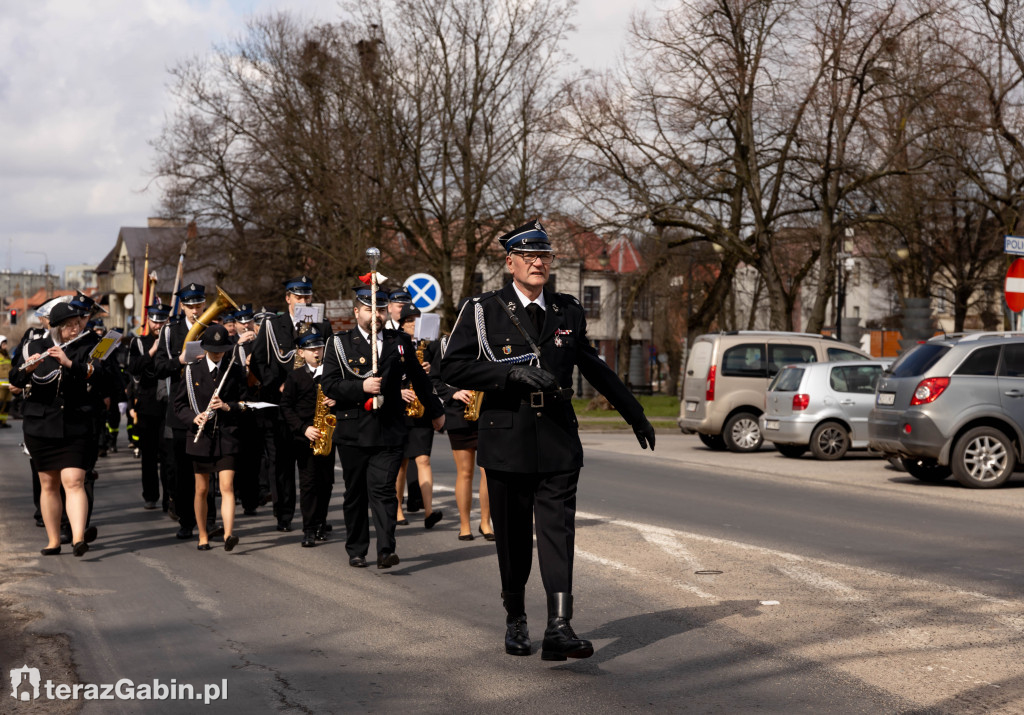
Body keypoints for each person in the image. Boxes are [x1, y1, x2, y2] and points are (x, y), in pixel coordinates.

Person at [441, 219, 656, 660]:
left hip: (557, 439)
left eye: (545, 256)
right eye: (529, 256)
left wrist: (635, 413)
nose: (538, 263)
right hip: (506, 441)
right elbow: (453, 368)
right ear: (511, 262)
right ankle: (516, 616)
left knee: (558, 533)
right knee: (514, 538)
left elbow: (594, 367)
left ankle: (559, 626)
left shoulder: (567, 311)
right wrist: (508, 374)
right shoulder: (482, 310)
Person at [320, 286, 444, 569]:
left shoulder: (398, 341)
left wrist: (436, 412)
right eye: (369, 309)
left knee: (384, 490)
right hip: (353, 431)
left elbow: (419, 379)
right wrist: (360, 387)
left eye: (380, 309)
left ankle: (386, 549)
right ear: (356, 311)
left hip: (389, 428)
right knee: (355, 493)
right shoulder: (339, 343)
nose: (375, 315)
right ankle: (357, 548)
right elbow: (329, 384)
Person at [9, 302, 103, 557]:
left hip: (75, 423)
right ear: (57, 328)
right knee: (48, 484)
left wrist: (69, 362)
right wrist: (27, 368)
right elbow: (15, 379)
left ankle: (77, 538)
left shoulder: (90, 345)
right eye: (70, 326)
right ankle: (53, 541)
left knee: (74, 480)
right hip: (41, 425)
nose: (76, 329)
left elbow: (99, 375)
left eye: (78, 323)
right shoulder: (34, 346)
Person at [250, 276, 333, 532]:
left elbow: (329, 361)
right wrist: (276, 386)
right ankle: (284, 515)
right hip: (281, 407)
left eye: (308, 296)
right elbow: (258, 362)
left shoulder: (322, 325)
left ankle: (318, 518)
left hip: (313, 405)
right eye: (299, 297)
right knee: (283, 465)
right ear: (288, 298)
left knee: (318, 469)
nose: (304, 301)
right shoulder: (274, 326)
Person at [153, 283, 219, 541]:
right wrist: (179, 361)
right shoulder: (170, 331)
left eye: (198, 305)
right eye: (190, 305)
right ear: (182, 306)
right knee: (182, 470)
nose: (195, 310)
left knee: (208, 468)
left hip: (207, 404)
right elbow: (158, 368)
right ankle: (185, 520)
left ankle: (210, 520)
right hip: (181, 407)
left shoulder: (212, 328)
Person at [173, 324, 247, 552]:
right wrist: (193, 418)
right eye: (214, 350)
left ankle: (227, 534)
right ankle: (203, 535)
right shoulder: (191, 370)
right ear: (205, 348)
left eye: (222, 349)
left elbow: (245, 402)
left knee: (226, 486)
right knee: (202, 489)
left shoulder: (234, 370)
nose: (218, 354)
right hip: (201, 436)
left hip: (227, 436)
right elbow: (179, 404)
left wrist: (227, 406)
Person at [427, 310, 494, 541]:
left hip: (487, 413)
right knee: (465, 473)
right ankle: (465, 525)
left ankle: (486, 522)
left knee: (488, 472)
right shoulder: (445, 344)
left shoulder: (490, 342)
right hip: (458, 413)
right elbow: (434, 378)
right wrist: (454, 393)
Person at [279, 326, 336, 547]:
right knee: (309, 484)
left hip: (326, 435)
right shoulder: (295, 377)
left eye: (319, 348)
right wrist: (303, 428)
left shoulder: (331, 374)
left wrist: (335, 401)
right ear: (301, 353)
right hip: (305, 438)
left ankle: (321, 522)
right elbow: (286, 407)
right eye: (311, 349)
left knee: (327, 482)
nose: (316, 352)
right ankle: (309, 528)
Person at [394, 303, 442, 529]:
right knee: (401, 463)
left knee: (423, 459)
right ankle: (397, 509)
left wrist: (429, 370)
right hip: (401, 408)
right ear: (402, 324)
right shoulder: (395, 343)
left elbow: (438, 377)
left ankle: (429, 511)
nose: (415, 325)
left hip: (421, 409)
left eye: (417, 320)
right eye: (410, 321)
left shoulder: (429, 346)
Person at [127, 303, 171, 510]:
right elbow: (133, 368)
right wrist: (152, 351)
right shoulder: (139, 342)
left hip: (169, 405)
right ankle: (150, 495)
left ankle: (169, 498)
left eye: (162, 320)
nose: (158, 325)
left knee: (168, 455)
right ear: (148, 320)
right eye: (155, 320)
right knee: (149, 455)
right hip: (147, 405)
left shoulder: (173, 339)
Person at [0, 335, 11, 429]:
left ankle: (3, 422)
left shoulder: (7, 355)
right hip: (0, 386)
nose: (5, 346)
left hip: (8, 384)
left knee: (7, 405)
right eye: (3, 344)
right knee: (0, 404)